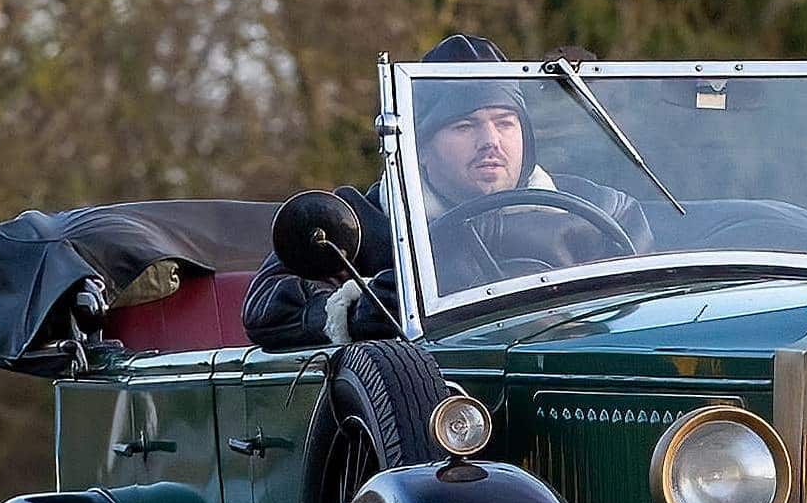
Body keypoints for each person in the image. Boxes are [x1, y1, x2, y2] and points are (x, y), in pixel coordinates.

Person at [242, 35, 646, 350]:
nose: (490, 141)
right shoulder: (365, 220)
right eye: (464, 127)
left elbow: (657, 311)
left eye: (505, 123)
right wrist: (359, 309)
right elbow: (265, 307)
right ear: (421, 148)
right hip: (441, 420)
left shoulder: (601, 211)